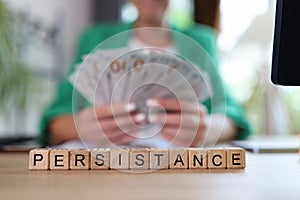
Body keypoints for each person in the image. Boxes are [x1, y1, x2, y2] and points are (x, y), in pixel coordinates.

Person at [39, 0, 251, 147]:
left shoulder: (201, 41)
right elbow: (56, 119)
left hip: (183, 175)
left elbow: (230, 112)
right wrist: (80, 128)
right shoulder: (94, 39)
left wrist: (209, 129)